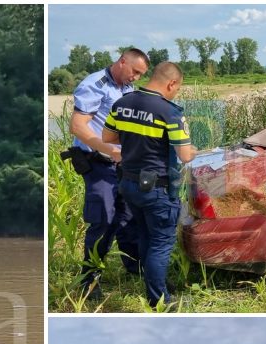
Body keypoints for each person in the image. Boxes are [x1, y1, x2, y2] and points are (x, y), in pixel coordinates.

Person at [102, 61, 196, 308]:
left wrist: (136, 141)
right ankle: (159, 301)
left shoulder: (122, 103)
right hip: (157, 189)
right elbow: (185, 155)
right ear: (171, 83)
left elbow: (108, 137)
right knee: (161, 243)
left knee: (145, 234)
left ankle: (154, 284)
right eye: (177, 88)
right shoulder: (170, 112)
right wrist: (192, 150)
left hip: (129, 183)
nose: (176, 93)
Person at [67, 48, 150, 298]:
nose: (136, 77)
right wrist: (110, 150)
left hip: (124, 164)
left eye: (141, 74)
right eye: (134, 71)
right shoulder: (95, 85)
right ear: (122, 62)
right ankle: (88, 280)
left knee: (127, 216)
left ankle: (135, 267)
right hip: (99, 163)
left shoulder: (128, 89)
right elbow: (77, 126)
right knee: (103, 218)